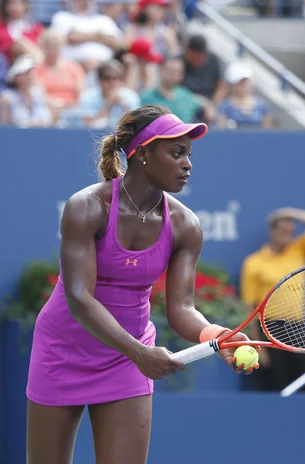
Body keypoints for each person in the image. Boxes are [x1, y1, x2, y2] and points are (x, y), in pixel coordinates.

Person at [25, 104, 256, 464]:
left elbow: (180, 309)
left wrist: (215, 334)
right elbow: (79, 297)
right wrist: (138, 351)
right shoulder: (87, 207)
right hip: (64, 349)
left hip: (127, 360)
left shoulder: (186, 225)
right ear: (143, 154)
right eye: (177, 153)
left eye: (189, 155)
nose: (188, 164)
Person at [239, 207, 305, 392]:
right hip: (268, 329)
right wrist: (256, 345)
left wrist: (288, 213)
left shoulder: (298, 251)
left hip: (297, 328)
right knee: (276, 385)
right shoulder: (253, 262)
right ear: (271, 232)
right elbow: (248, 307)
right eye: (283, 231)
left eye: (291, 232)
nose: (288, 235)